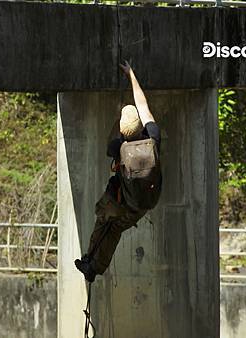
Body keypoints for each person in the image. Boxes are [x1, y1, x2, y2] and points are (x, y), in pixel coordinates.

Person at [74, 61, 163, 283]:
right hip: (146, 202)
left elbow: (111, 147)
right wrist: (132, 74)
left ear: (123, 129)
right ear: (140, 125)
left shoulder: (118, 146)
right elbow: (143, 106)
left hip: (123, 201)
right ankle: (93, 266)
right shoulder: (153, 137)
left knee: (104, 223)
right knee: (115, 230)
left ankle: (91, 264)